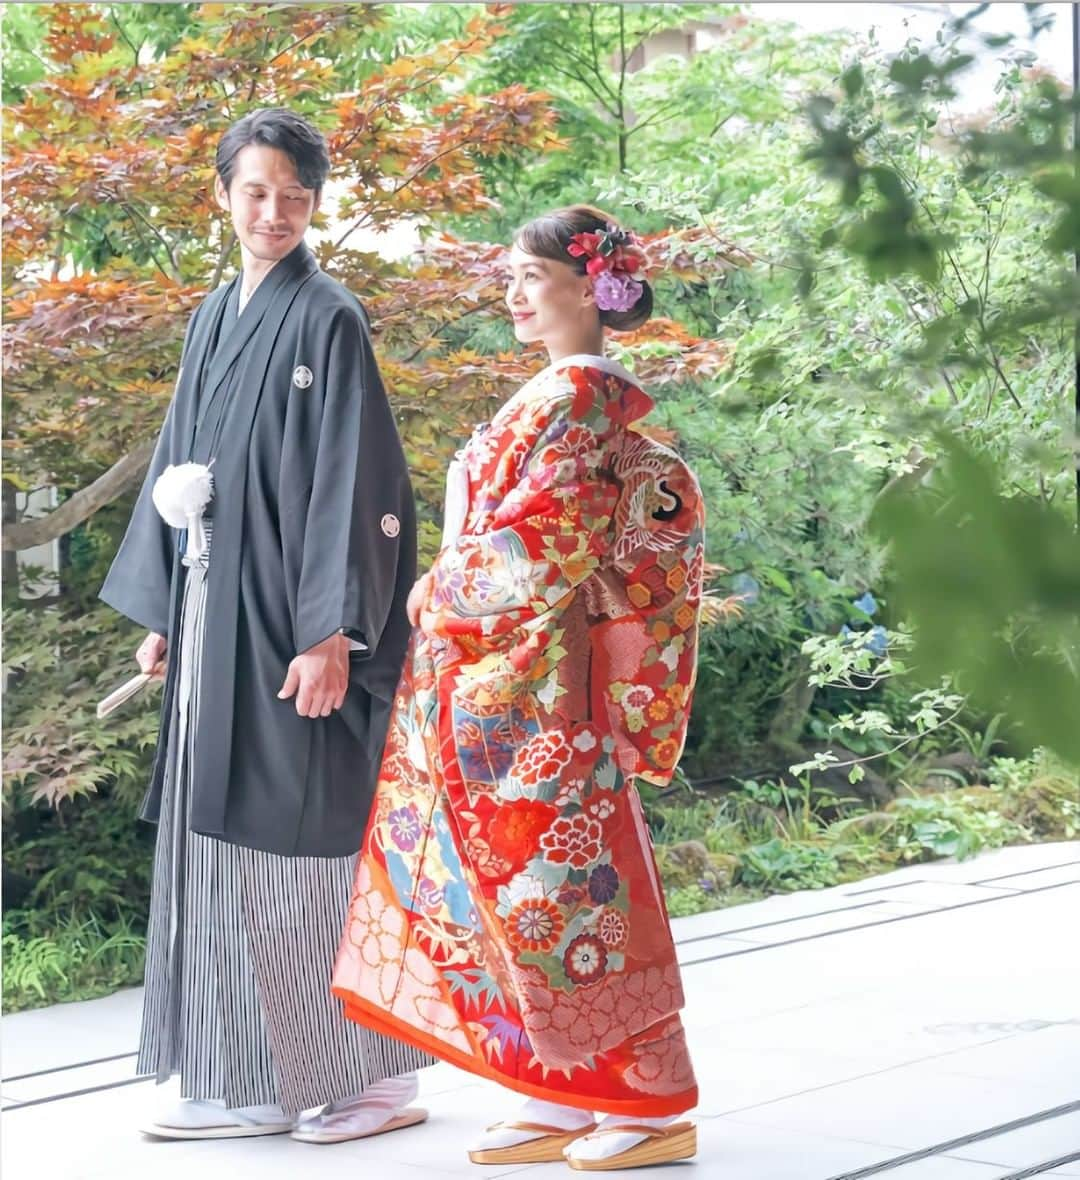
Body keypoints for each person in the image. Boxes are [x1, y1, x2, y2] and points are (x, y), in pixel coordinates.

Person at [332, 205, 705, 1170]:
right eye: (512, 276)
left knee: (576, 889)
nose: (513, 292)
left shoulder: (581, 396)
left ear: (588, 290)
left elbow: (550, 541)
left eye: (531, 276)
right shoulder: (553, 394)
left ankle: (652, 1098)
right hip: (505, 685)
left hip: (548, 693)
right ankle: (564, 1091)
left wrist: (436, 587)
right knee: (516, 889)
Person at [100, 107, 434, 1143]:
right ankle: (248, 1074)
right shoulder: (212, 316)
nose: (275, 210)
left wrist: (334, 631)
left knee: (297, 845)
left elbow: (356, 478)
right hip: (215, 617)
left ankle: (372, 1076)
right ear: (223, 195)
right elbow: (177, 464)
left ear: (317, 203)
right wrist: (166, 605)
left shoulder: (328, 316)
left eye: (295, 194)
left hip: (291, 635)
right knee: (220, 846)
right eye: (256, 190)